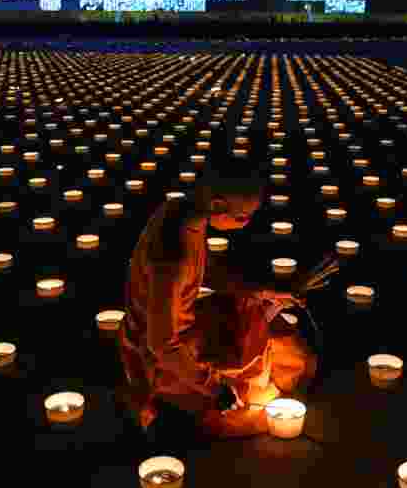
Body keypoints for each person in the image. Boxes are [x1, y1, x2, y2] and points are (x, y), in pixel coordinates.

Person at [119, 176, 320, 442]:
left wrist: (261, 291)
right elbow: (162, 344)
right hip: (156, 350)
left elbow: (204, 269)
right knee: (254, 371)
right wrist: (215, 387)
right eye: (242, 217)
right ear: (216, 205)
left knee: (253, 310)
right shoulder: (172, 257)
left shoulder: (182, 213)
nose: (247, 223)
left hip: (178, 325)